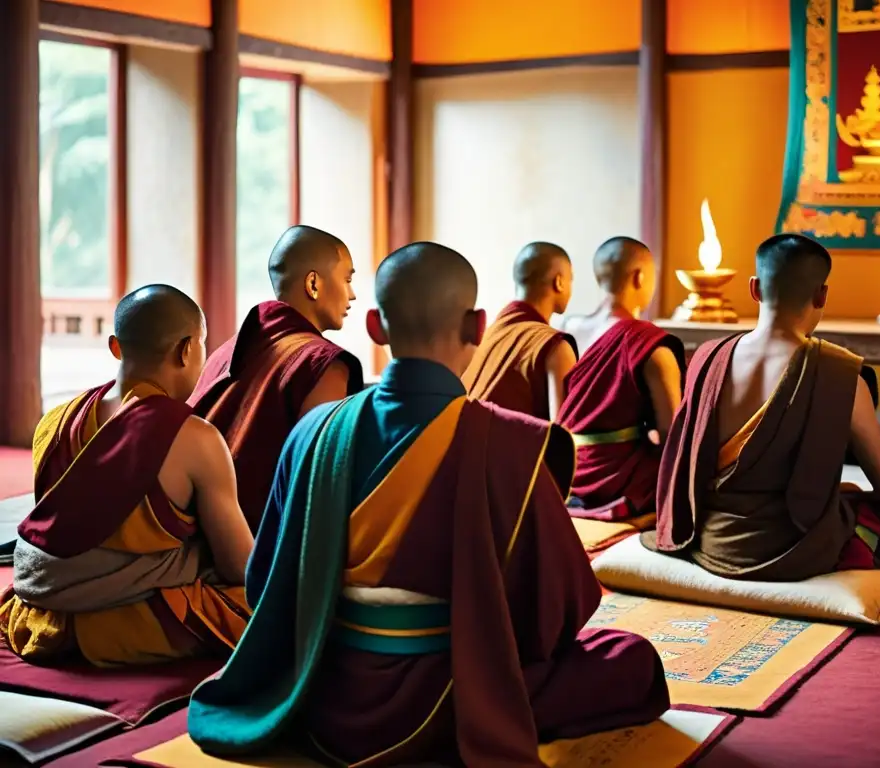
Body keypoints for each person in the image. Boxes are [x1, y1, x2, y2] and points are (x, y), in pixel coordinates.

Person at [187, 242, 669, 767]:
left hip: (326, 690)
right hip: (458, 689)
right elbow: (562, 607)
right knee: (633, 661)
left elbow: (265, 585)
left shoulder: (313, 433)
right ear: (477, 327)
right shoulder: (509, 443)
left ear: (375, 326)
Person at [649, 234, 880, 584]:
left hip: (710, 539)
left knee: (852, 496)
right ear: (822, 295)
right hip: (791, 547)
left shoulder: (707, 357)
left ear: (754, 289)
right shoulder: (837, 371)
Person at [0, 286, 252, 667]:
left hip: (39, 613)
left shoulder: (53, 422)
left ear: (115, 347)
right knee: (275, 600)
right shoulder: (197, 438)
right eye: (201, 344)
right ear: (186, 350)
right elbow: (238, 566)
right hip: (132, 621)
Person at [188, 225, 364, 532]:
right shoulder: (322, 364)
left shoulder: (227, 350)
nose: (352, 294)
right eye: (347, 279)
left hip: (203, 534)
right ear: (313, 283)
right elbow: (320, 484)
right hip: (260, 547)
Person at [557, 237, 686, 522]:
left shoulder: (566, 330)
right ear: (640, 277)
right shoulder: (650, 343)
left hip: (564, 472)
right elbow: (671, 436)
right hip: (615, 480)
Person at [462, 241, 578, 419]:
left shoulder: (488, 334)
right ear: (559, 282)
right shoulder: (556, 348)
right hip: (514, 447)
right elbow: (562, 438)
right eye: (571, 279)